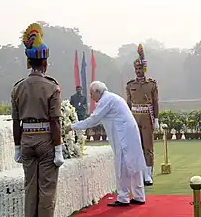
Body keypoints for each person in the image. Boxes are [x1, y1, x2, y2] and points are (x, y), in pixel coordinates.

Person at [11, 22, 65, 217]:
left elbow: (16, 121)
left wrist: (16, 146)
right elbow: (55, 121)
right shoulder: (51, 87)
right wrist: (59, 148)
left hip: (25, 140)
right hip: (45, 139)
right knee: (47, 187)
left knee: (30, 186)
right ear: (44, 62)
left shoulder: (18, 87)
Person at [66, 81, 147, 206]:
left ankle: (123, 197)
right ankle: (139, 195)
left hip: (123, 135)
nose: (91, 97)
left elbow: (93, 120)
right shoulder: (112, 98)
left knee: (122, 164)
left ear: (98, 92)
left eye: (92, 94)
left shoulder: (106, 100)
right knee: (133, 163)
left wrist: (72, 126)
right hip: (128, 132)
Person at [126, 44, 159, 186]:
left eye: (140, 69)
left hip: (147, 117)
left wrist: (156, 118)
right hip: (134, 117)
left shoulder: (151, 84)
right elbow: (128, 104)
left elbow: (155, 102)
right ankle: (138, 174)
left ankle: (148, 175)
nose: (138, 71)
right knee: (136, 146)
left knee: (148, 147)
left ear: (144, 70)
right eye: (136, 69)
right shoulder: (130, 85)